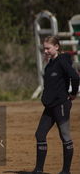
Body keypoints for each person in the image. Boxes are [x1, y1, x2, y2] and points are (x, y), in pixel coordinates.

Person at [33, 36, 79, 174]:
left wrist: (73, 94)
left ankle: (66, 171)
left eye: (48, 48)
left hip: (61, 105)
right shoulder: (50, 65)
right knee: (40, 134)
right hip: (49, 106)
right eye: (44, 48)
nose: (45, 51)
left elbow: (75, 77)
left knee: (65, 136)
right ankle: (38, 170)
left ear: (57, 47)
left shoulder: (62, 62)